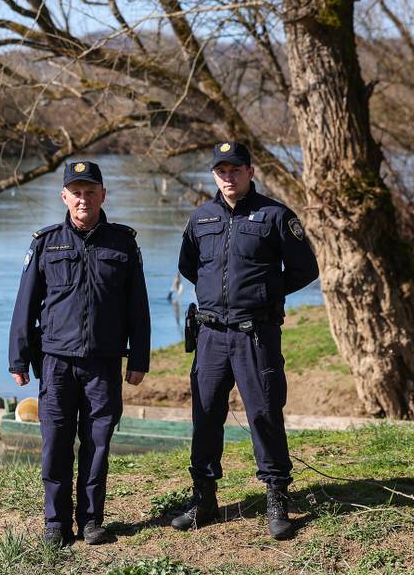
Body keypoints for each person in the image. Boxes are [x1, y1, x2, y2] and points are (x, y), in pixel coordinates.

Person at [172, 142, 319, 539]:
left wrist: (265, 294)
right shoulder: (201, 217)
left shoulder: (275, 215)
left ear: (250, 172)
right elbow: (189, 266)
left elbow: (306, 268)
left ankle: (276, 497)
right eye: (221, 170)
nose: (228, 176)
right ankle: (204, 498)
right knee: (206, 415)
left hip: (256, 334)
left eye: (235, 169)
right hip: (211, 335)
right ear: (214, 175)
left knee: (264, 413)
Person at [8, 161, 150, 547]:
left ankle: (90, 521)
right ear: (64, 197)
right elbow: (25, 304)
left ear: (103, 195)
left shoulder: (123, 243)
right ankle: (55, 523)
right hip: (55, 362)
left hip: (104, 363)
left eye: (91, 192)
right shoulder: (45, 242)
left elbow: (138, 306)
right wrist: (18, 359)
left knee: (97, 444)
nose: (83, 199)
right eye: (77, 192)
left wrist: (138, 359)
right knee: (55, 443)